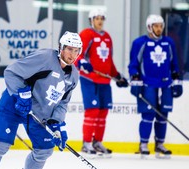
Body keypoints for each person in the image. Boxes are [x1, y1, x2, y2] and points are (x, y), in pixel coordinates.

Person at [0, 31, 82, 169]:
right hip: (13, 103)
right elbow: (11, 72)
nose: (72, 54)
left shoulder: (73, 76)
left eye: (76, 50)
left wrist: (57, 123)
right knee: (0, 145)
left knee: (45, 150)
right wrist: (21, 93)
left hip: (38, 113)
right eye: (69, 49)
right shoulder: (45, 58)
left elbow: (62, 103)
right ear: (60, 48)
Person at [128, 14, 182, 159]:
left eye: (160, 26)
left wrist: (177, 79)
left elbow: (174, 63)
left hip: (165, 84)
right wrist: (135, 78)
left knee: (163, 115)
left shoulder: (168, 42)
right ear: (149, 27)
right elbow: (134, 63)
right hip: (148, 84)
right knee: (148, 114)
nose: (159, 29)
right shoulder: (140, 42)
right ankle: (143, 144)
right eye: (156, 26)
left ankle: (160, 144)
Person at [76, 8, 128, 157]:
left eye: (102, 18)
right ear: (91, 20)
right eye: (97, 18)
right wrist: (82, 63)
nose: (100, 21)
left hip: (104, 80)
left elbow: (108, 61)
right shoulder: (86, 34)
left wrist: (117, 75)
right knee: (92, 110)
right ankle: (86, 143)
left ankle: (97, 142)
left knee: (103, 111)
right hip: (89, 78)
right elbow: (77, 55)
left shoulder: (107, 37)